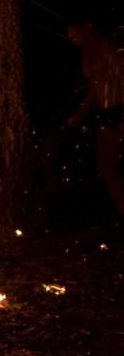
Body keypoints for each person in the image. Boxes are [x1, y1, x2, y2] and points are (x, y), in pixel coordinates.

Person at [66, 21, 124, 216]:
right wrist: (81, 113)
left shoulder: (109, 47)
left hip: (121, 110)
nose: (69, 34)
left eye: (72, 27)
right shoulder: (85, 51)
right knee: (106, 167)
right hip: (106, 113)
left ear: (88, 25)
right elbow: (94, 86)